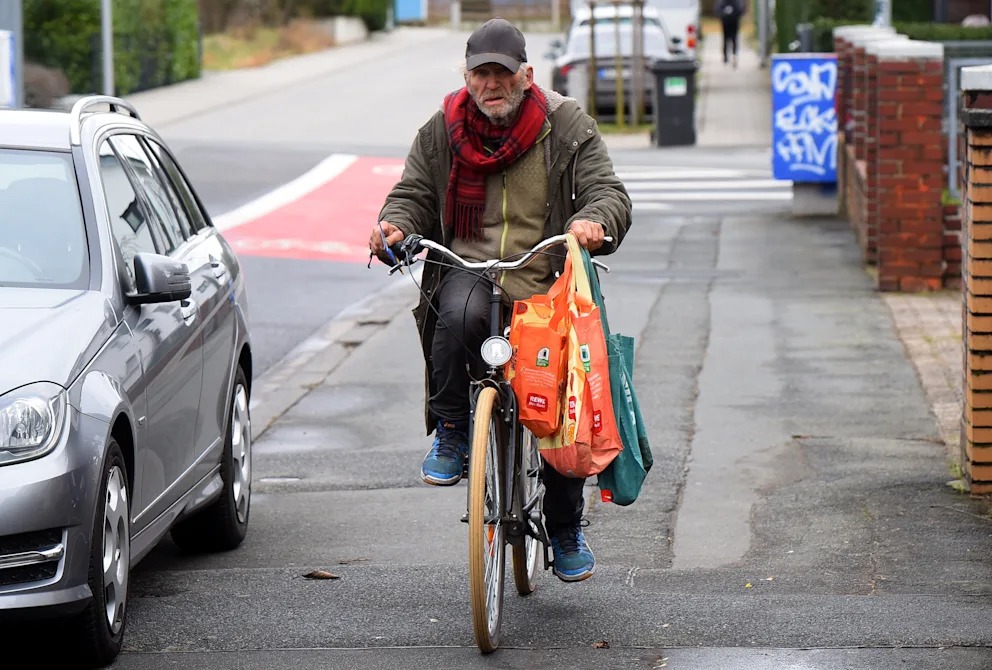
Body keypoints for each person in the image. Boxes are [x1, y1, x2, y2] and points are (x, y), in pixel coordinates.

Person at [370, 17, 631, 583]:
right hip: (470, 267)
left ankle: (564, 529)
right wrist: (394, 225)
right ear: (467, 77)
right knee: (454, 313)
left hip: (543, 276)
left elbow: (608, 191)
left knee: (557, 396)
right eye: (481, 74)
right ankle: (453, 431)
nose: (492, 84)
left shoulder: (565, 125)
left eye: (502, 74)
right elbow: (412, 192)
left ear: (526, 76)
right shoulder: (443, 128)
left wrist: (592, 220)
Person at [716, 0, 744, 67]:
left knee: (733, 39)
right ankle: (726, 57)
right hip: (726, 24)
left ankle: (733, 55)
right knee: (726, 40)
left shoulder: (735, 2)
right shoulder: (723, 2)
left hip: (733, 24)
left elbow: (740, 11)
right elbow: (718, 10)